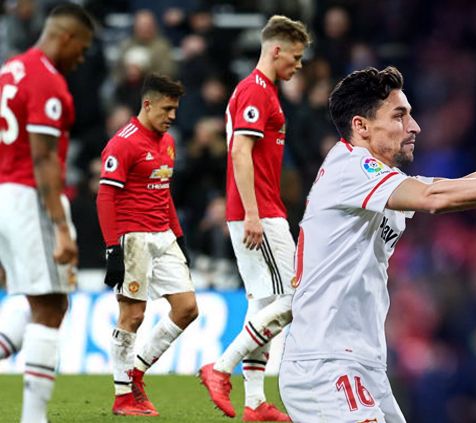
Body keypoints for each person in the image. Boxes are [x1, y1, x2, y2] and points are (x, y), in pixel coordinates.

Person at [276, 65, 476, 422]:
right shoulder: (351, 167)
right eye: (400, 116)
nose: (414, 126)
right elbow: (437, 196)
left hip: (360, 362)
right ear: (361, 126)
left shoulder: (377, 178)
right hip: (325, 362)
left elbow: (459, 183)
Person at [197, 15, 311, 422]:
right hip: (259, 211)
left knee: (263, 302)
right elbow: (241, 153)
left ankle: (254, 403)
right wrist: (252, 213)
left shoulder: (260, 91)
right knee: (296, 298)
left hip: (261, 207)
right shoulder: (255, 91)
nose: (298, 66)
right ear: (276, 49)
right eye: (295, 57)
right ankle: (220, 367)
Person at [0, 4, 93, 422]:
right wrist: (60, 227)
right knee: (50, 306)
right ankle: (33, 418)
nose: (83, 57)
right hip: (27, 196)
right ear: (66, 37)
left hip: (4, 192)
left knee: (45, 300)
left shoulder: (10, 70)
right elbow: (43, 160)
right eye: (83, 47)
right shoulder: (47, 81)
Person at [97, 74, 198, 417]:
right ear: (147, 104)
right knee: (133, 315)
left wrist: (180, 237)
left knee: (187, 309)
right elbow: (106, 196)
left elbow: (164, 191)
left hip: (162, 234)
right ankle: (123, 395)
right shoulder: (123, 143)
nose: (172, 116)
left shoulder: (167, 142)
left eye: (175, 110)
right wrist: (113, 249)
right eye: (167, 109)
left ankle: (136, 371)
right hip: (133, 237)